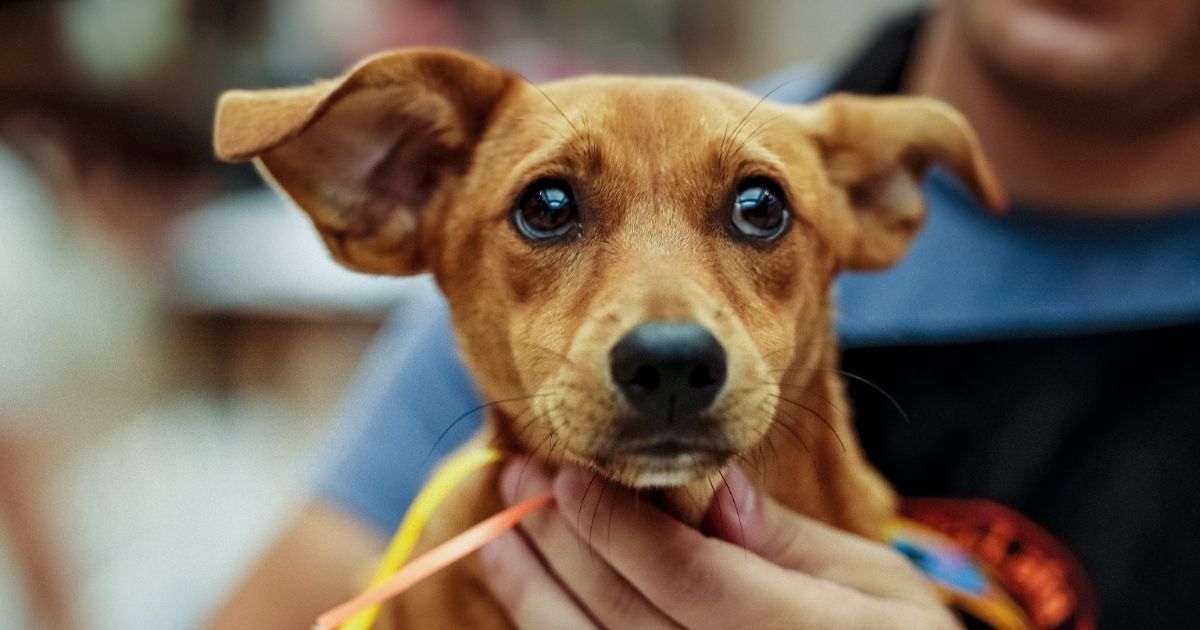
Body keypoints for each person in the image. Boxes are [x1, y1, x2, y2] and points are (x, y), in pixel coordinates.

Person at [211, 1, 1200, 628]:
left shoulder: (826, 159)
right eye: (552, 209)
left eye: (757, 212)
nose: (666, 333)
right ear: (407, 193)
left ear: (879, 201)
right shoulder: (477, 283)